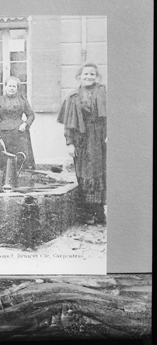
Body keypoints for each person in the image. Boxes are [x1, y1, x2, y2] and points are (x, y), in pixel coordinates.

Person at [57, 62, 107, 225]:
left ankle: (99, 214)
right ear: (79, 77)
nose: (89, 77)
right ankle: (85, 214)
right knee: (82, 174)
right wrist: (69, 143)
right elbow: (68, 124)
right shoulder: (73, 97)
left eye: (92, 74)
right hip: (81, 140)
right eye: (86, 74)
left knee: (98, 174)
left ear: (97, 76)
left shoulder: (103, 92)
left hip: (99, 139)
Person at [0, 76, 36, 171]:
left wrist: (25, 124)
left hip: (20, 135)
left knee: (22, 159)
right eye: (9, 86)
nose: (11, 88)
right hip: (2, 135)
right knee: (1, 161)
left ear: (17, 88)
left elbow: (31, 115)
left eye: (14, 86)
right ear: (5, 87)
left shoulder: (23, 100)